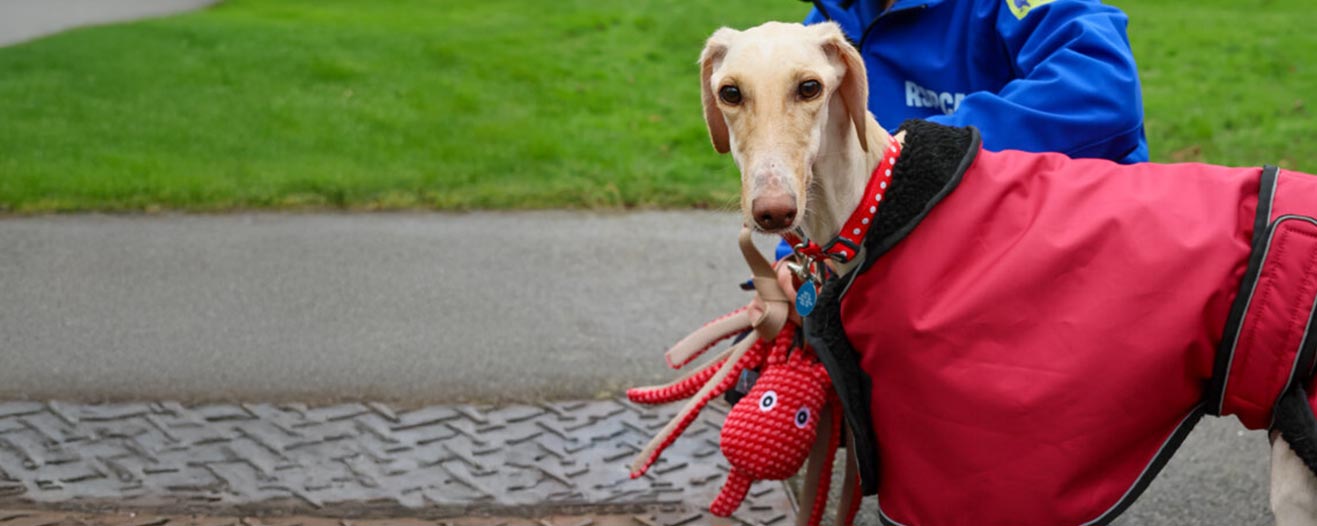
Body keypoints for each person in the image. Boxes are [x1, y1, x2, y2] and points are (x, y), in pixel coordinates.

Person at [774, 0, 1149, 260]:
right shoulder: (835, 18)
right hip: (904, 261)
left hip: (1051, 251)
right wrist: (794, 259)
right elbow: (812, 155)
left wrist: (921, 150)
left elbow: (1103, 91)